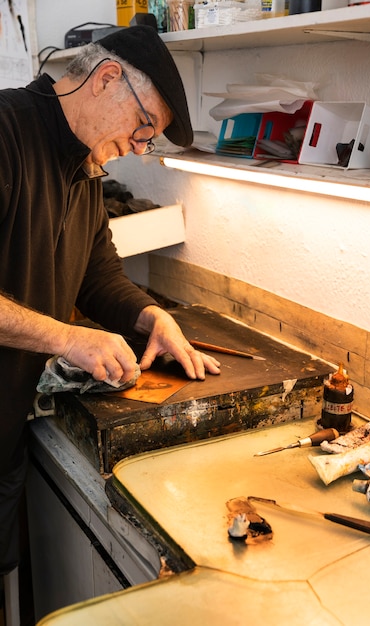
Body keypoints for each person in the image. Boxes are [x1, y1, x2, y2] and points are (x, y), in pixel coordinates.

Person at [0, 25, 221, 576]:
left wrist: (153, 317)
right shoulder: (4, 132)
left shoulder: (84, 167)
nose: (141, 146)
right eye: (144, 126)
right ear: (106, 79)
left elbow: (98, 275)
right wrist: (66, 336)